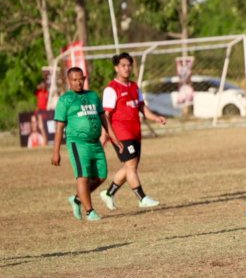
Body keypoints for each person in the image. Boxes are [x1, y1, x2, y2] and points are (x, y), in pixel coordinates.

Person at [51, 67, 123, 221]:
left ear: (84, 78)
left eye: (80, 79)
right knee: (83, 176)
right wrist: (56, 152)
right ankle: (90, 212)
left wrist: (114, 138)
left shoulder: (93, 96)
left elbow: (104, 119)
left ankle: (77, 199)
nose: (78, 82)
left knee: (101, 176)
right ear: (68, 81)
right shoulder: (65, 100)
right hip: (78, 144)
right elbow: (59, 129)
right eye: (74, 80)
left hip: (95, 143)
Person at [99, 52, 167, 210]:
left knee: (130, 167)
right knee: (131, 165)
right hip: (120, 133)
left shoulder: (135, 87)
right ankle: (142, 198)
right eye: (123, 65)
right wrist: (105, 135)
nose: (126, 68)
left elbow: (142, 107)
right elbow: (106, 115)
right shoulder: (111, 89)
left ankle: (108, 194)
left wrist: (156, 118)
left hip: (135, 132)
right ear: (116, 68)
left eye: (129, 65)